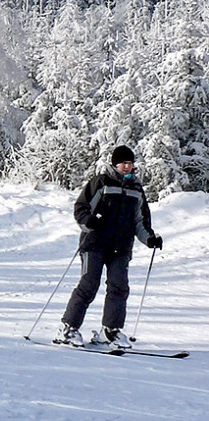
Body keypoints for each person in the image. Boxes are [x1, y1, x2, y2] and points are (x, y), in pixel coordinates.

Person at [55, 144, 164, 347]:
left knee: (119, 287)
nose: (127, 167)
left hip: (120, 248)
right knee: (89, 285)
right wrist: (89, 221)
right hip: (94, 244)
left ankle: (110, 331)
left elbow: (140, 221)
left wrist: (150, 239)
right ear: (115, 164)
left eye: (130, 163)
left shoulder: (136, 190)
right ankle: (68, 328)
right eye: (123, 163)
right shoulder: (101, 183)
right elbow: (81, 208)